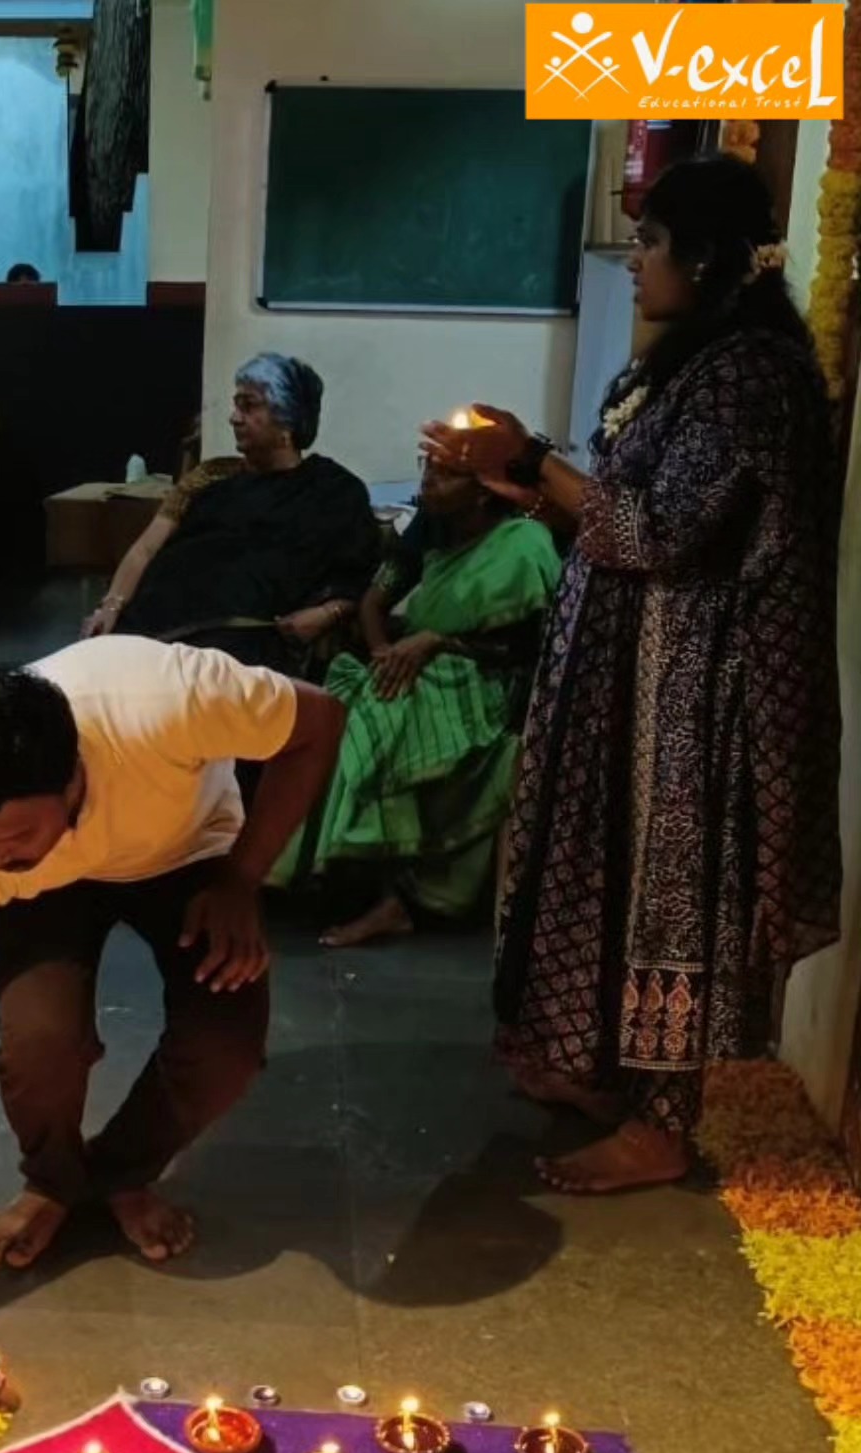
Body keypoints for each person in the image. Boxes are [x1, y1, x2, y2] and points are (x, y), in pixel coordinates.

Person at [423, 155, 841, 1194]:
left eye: (649, 244)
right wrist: (519, 483)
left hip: (692, 695)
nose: (634, 264)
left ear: (705, 261)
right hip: (636, 677)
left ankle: (663, 1125)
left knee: (673, 901)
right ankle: (609, 1074)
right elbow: (617, 505)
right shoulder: (692, 363)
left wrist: (534, 460)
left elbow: (661, 531)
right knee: (609, 876)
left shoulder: (750, 378)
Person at [0, 635, 345, 1384]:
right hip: (47, 889)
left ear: (74, 777)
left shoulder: (164, 699)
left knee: (226, 1046)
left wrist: (242, 879)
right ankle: (54, 1180)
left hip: (188, 852)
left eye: (14, 836)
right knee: (38, 1044)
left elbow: (320, 720)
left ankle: (121, 1173)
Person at [279, 456, 561, 945]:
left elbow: (531, 648)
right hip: (410, 664)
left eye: (445, 473)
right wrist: (382, 653)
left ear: (484, 489)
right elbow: (374, 602)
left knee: (383, 719)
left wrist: (439, 642)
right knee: (340, 709)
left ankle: (390, 900)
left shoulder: (525, 542)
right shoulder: (430, 524)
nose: (428, 479)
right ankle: (344, 881)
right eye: (426, 466)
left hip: (489, 680)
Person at [84, 354, 379, 676]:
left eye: (248, 406)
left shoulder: (334, 492)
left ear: (287, 418)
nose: (234, 418)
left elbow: (361, 577)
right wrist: (110, 605)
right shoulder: (210, 476)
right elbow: (146, 549)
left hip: (241, 641)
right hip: (150, 624)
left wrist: (326, 614)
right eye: (236, 405)